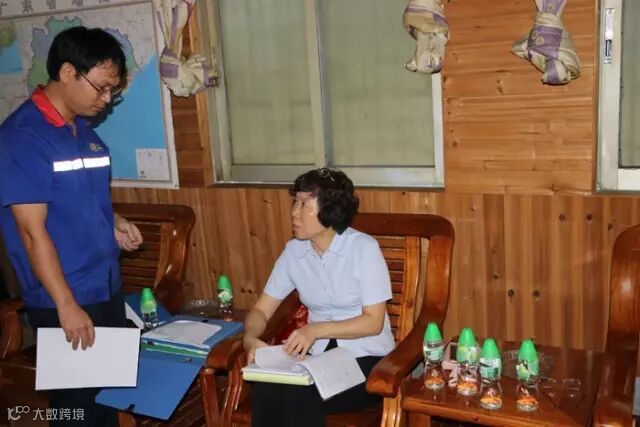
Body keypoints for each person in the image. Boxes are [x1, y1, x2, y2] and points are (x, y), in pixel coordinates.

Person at [0, 26, 143, 427]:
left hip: (104, 285)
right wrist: (65, 305)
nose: (107, 99)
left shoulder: (84, 133)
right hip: (65, 296)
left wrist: (114, 223)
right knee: (77, 410)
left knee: (106, 400)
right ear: (67, 73)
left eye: (113, 90)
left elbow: (79, 201)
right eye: (101, 87)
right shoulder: (23, 138)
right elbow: (31, 232)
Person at [243, 168, 395, 427]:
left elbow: (373, 322)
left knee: (301, 392)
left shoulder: (363, 249)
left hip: (367, 359)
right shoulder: (294, 252)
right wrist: (250, 339)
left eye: (304, 204)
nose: (294, 212)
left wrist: (314, 330)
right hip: (317, 357)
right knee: (268, 384)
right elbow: (261, 311)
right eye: (295, 202)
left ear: (330, 210)